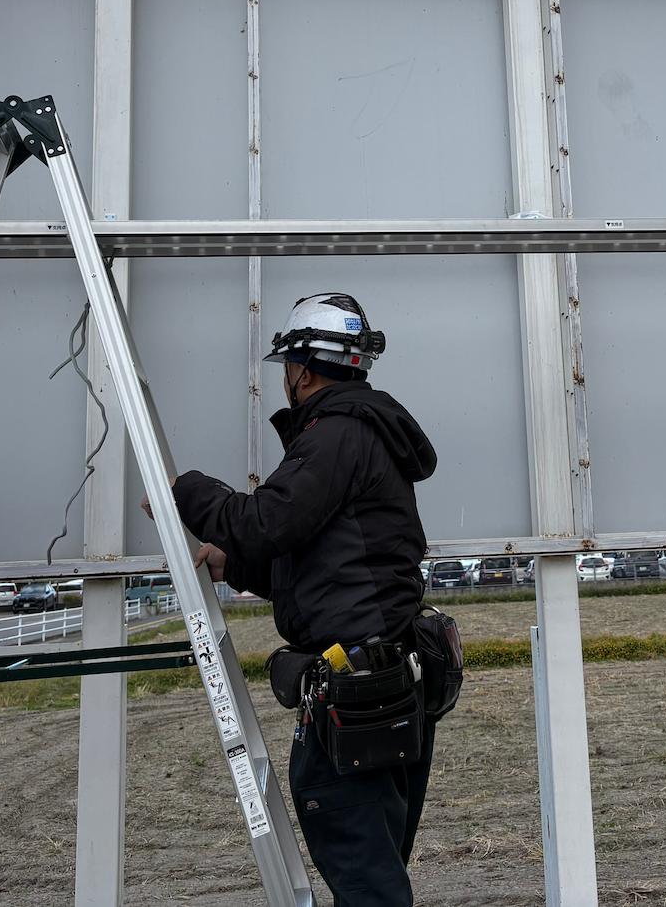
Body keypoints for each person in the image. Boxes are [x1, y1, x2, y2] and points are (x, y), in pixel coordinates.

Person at [167, 293, 440, 905]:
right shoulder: (362, 433)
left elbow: (264, 522)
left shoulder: (335, 434)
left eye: (287, 368)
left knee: (367, 881)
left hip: (358, 697)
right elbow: (333, 567)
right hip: (386, 688)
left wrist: (184, 490)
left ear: (303, 370)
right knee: (375, 870)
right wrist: (235, 564)